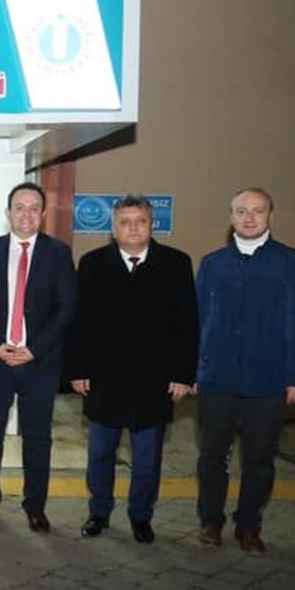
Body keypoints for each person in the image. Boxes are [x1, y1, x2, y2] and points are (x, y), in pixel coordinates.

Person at [68, 195, 198, 544]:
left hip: (154, 380)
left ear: (152, 225)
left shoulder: (176, 263)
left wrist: (183, 375)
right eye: (125, 222)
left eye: (140, 221)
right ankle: (99, 512)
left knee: (147, 458)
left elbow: (188, 324)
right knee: (100, 454)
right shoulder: (93, 264)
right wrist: (77, 370)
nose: (133, 228)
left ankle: (141, 516)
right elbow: (80, 323)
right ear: (113, 228)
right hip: (104, 378)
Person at [195, 187, 295, 554]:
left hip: (269, 380)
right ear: (230, 217)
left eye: (258, 211)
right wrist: (192, 371)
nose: (249, 217)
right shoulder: (213, 263)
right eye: (241, 211)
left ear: (270, 216)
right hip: (217, 378)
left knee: (260, 459)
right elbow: (197, 321)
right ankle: (211, 521)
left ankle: (249, 525)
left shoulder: (294, 263)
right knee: (212, 456)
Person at [0, 182, 76, 532]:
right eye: (19, 207)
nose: (26, 214)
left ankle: (35, 507)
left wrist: (34, 348)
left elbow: (66, 308)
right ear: (8, 213)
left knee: (37, 438)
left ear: (43, 214)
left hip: (39, 364)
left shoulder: (59, 254)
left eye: (34, 208)